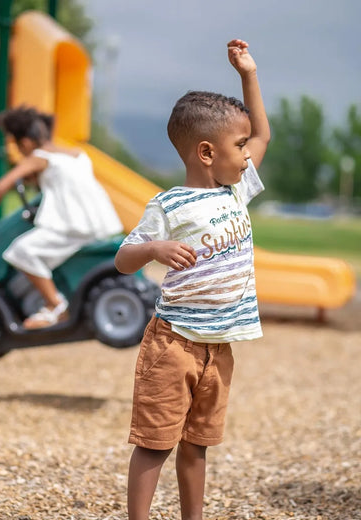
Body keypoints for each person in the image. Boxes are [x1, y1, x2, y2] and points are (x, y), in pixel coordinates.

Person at [114, 39, 270, 520]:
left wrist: (249, 75)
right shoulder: (169, 205)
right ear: (207, 151)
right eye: (237, 146)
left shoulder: (235, 191)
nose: (248, 155)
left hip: (219, 345)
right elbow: (122, 259)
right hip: (173, 343)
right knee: (155, 443)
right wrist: (154, 248)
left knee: (197, 445)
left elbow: (262, 135)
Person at [0, 105, 123, 329]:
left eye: (18, 147)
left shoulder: (39, 157)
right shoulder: (76, 154)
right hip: (95, 224)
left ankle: (54, 305)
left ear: (24, 142)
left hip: (69, 226)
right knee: (36, 249)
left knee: (21, 251)